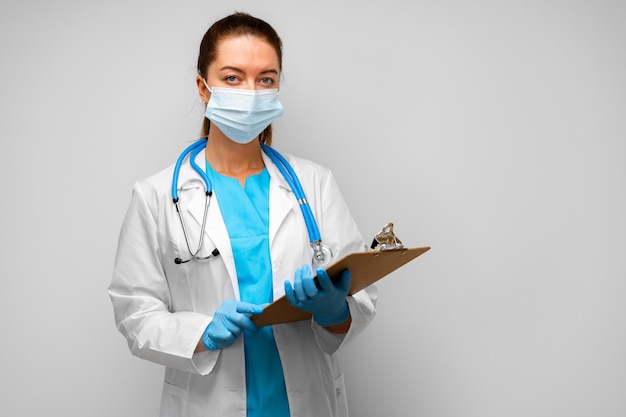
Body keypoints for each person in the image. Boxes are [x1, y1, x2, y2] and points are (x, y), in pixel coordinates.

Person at [108, 11, 377, 417]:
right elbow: (135, 313)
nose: (251, 92)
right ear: (204, 87)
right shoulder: (157, 196)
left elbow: (360, 299)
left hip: (304, 402)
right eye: (233, 77)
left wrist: (333, 309)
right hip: (208, 402)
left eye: (265, 79)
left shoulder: (315, 184)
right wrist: (202, 333)